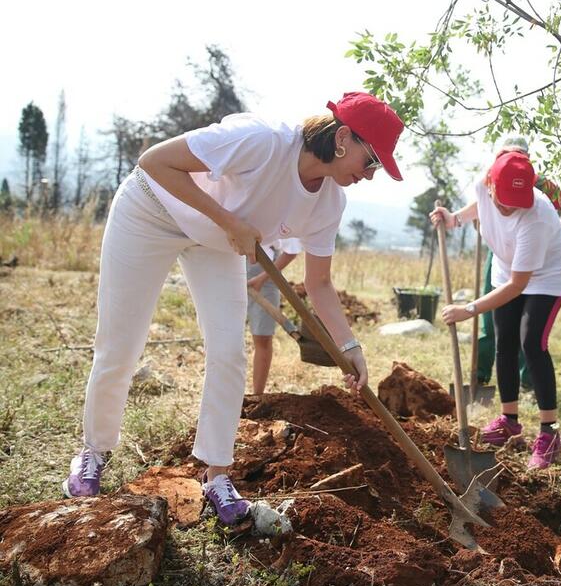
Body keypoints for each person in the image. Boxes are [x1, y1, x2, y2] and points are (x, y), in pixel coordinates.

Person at [63, 92, 404, 526]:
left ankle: (216, 473)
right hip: (152, 210)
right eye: (371, 160)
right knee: (121, 342)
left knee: (229, 351)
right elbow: (154, 161)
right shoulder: (262, 140)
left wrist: (350, 344)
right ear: (342, 138)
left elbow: (319, 283)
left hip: (219, 242)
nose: (371, 175)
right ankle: (94, 451)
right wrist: (229, 222)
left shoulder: (330, 203)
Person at [431, 150, 561, 470]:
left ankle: (549, 433)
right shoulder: (483, 186)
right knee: (503, 341)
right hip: (506, 269)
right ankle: (509, 422)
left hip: (545, 277)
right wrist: (454, 218)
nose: (509, 206)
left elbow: (517, 286)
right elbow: (479, 204)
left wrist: (469, 309)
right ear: (491, 184)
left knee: (531, 342)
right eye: (503, 197)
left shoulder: (537, 216)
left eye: (516, 200)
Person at [475, 136, 561, 392]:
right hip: (502, 254)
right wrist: (456, 218)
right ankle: (480, 373)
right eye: (507, 154)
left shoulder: (541, 184)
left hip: (534, 255)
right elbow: (479, 204)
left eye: (521, 155)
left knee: (529, 333)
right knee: (496, 324)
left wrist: (549, 239)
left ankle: (527, 380)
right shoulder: (491, 180)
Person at [246, 237, 301, 395]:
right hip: (230, 265)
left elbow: (292, 251)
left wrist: (262, 278)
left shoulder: (286, 215)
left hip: (264, 274)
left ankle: (256, 396)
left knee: (262, 337)